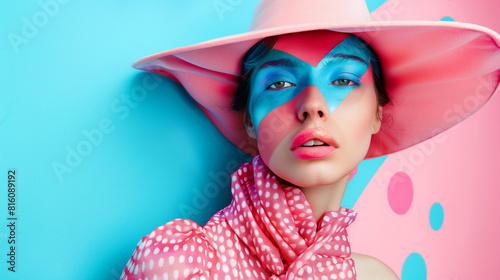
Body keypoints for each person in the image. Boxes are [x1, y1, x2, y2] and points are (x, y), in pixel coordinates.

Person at [120, 0, 500, 279]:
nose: (313, 106)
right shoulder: (177, 264)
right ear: (250, 122)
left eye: (343, 80)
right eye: (280, 83)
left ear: (378, 114)